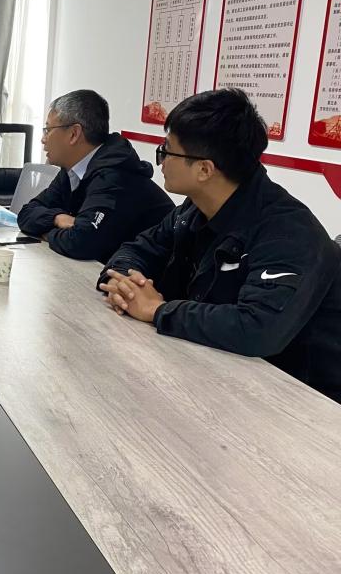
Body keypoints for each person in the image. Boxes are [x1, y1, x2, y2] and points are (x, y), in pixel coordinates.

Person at [99, 88, 341, 403]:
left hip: (300, 400)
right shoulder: (195, 208)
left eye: (167, 151)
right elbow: (139, 248)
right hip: (214, 371)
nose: (160, 161)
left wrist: (157, 310)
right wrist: (126, 283)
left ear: (204, 169)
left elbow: (258, 329)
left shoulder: (290, 233)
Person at [17, 89, 174, 262]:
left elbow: (81, 243)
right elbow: (26, 213)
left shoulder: (113, 174)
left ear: (74, 134)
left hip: (150, 274)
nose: (43, 139)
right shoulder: (72, 169)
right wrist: (56, 218)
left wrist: (46, 232)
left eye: (48, 130)